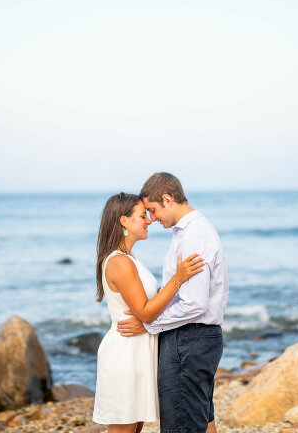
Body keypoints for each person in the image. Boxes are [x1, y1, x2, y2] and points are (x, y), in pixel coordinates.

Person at [117, 172, 229, 433]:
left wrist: (149, 324)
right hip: (196, 339)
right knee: (201, 419)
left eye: (153, 210)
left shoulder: (193, 236)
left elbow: (194, 304)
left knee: (182, 423)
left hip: (189, 339)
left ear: (168, 199)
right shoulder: (190, 232)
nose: (152, 219)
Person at [92, 192, 205, 432]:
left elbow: (146, 309)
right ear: (124, 221)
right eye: (143, 215)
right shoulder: (120, 262)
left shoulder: (129, 258)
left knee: (135, 427)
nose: (149, 220)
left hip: (138, 351)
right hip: (125, 353)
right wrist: (179, 278)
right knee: (125, 428)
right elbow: (145, 312)